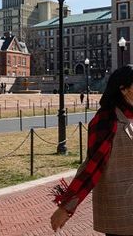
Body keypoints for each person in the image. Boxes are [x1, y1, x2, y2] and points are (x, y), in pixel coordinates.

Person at [51, 65, 133, 236]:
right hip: (121, 210)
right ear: (124, 89)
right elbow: (92, 167)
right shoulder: (107, 121)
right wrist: (66, 207)